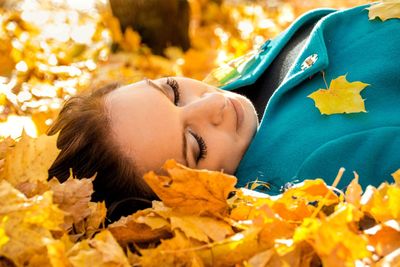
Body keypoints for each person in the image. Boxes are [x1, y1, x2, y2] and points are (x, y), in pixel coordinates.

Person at [48, 3, 400, 220]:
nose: (212, 104)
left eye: (172, 92)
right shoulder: (313, 180)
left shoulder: (226, 87)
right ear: (195, 200)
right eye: (196, 144)